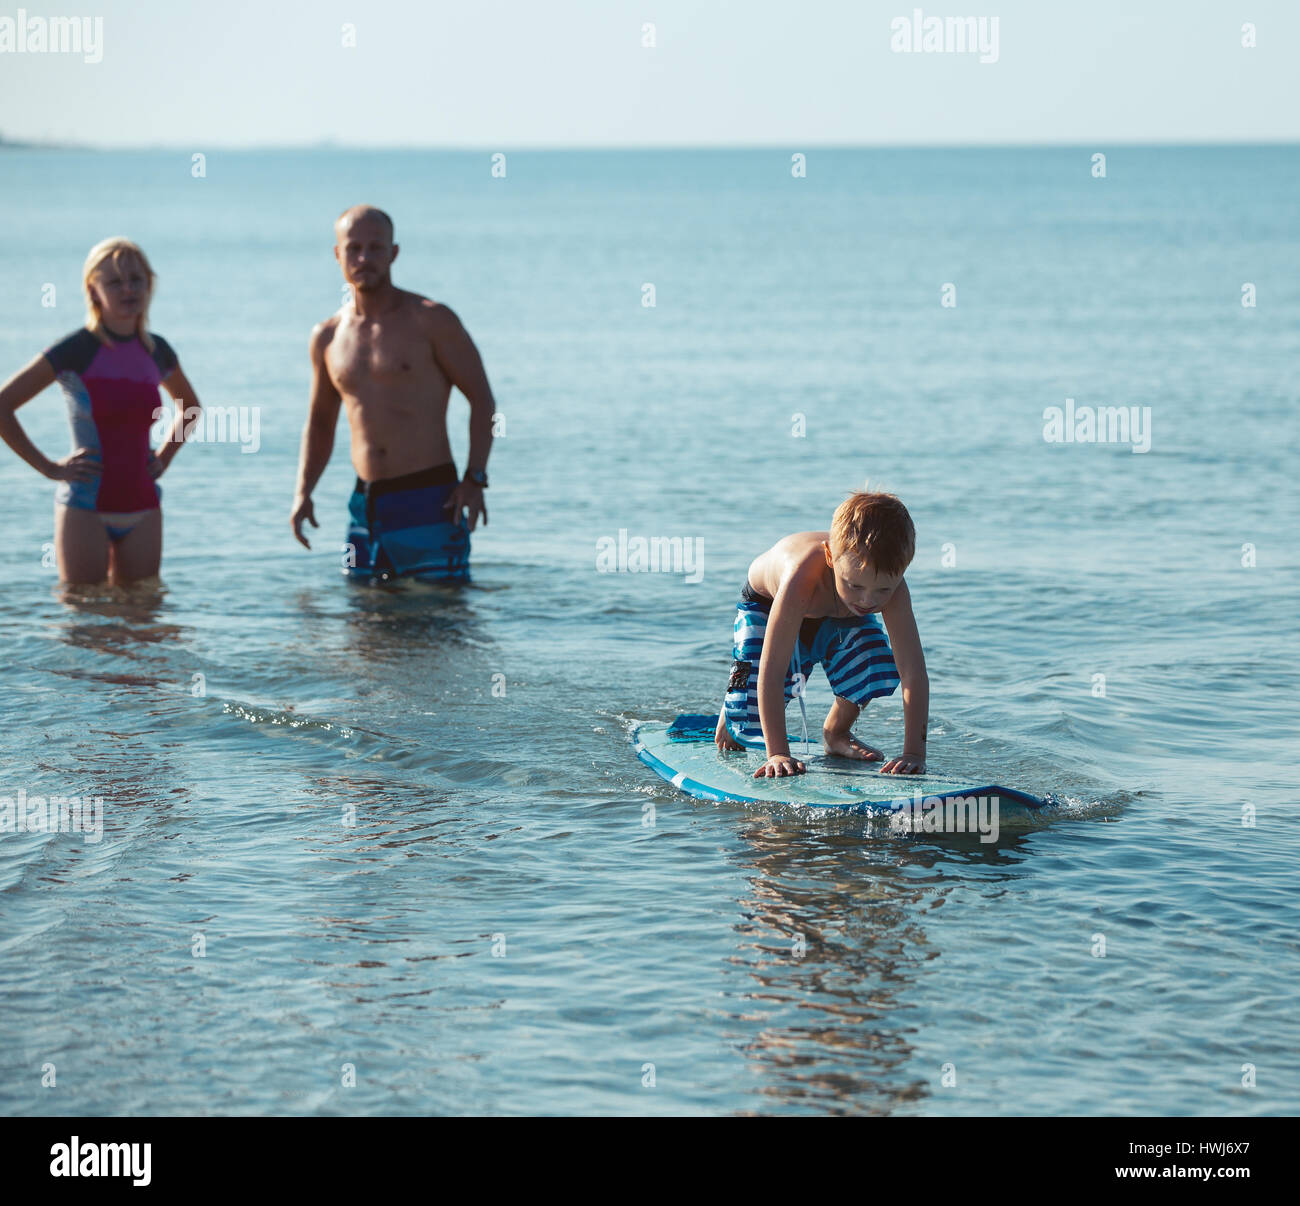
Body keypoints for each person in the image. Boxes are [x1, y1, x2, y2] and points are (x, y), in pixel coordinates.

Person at [291, 205, 496, 583]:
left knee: (441, 623)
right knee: (361, 625)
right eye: (354, 248)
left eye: (376, 247)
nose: (364, 258)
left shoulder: (431, 320)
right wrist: (303, 492)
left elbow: (483, 400)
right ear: (338, 255)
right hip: (363, 508)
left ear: (394, 253)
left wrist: (476, 477)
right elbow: (320, 422)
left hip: (431, 500)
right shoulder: (328, 336)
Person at [0, 238, 200, 586]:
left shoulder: (157, 350)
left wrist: (165, 457)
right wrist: (48, 467)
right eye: (114, 282)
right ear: (93, 290)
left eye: (136, 279)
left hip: (143, 504)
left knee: (144, 619)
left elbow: (190, 409)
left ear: (149, 284)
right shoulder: (75, 349)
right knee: (84, 622)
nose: (128, 289)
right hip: (84, 507)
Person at [715, 490, 930, 778]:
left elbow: (913, 672)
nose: (868, 600)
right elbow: (773, 667)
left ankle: (836, 733)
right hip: (767, 605)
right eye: (855, 585)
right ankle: (733, 708)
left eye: (883, 590)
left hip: (837, 612)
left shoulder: (889, 590)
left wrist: (914, 753)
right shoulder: (802, 576)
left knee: (873, 664)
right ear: (830, 556)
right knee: (749, 703)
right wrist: (777, 753)